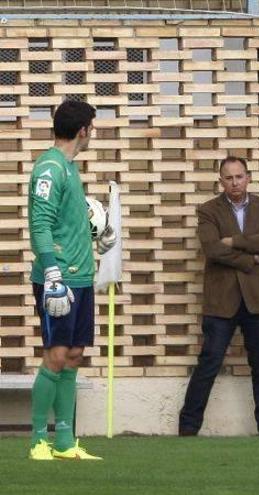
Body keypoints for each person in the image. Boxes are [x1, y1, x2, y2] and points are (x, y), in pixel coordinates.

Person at [28, 99, 116, 461]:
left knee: (75, 354)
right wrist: (51, 273)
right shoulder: (49, 168)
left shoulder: (69, 168)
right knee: (56, 354)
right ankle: (37, 442)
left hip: (81, 280)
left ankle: (64, 442)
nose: (92, 133)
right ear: (83, 130)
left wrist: (99, 233)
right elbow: (40, 223)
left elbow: (67, 220)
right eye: (91, 127)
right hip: (59, 279)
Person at [178, 156, 259, 437]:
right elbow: (212, 248)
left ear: (248, 177)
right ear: (220, 181)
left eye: (239, 176)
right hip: (221, 300)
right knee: (209, 363)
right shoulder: (208, 210)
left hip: (257, 300)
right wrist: (250, 259)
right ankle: (188, 427)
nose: (235, 183)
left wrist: (234, 241)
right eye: (228, 178)